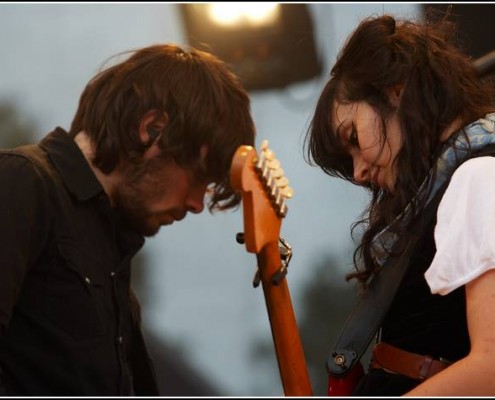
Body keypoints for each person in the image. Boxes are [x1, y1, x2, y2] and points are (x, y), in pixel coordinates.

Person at [0, 43, 255, 396]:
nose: (197, 203)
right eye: (198, 177)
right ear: (152, 129)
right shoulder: (23, 182)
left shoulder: (111, 250)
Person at [305, 11, 495, 396]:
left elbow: (490, 368)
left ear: (395, 89)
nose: (358, 172)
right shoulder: (453, 185)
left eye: (353, 137)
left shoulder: (479, 177)